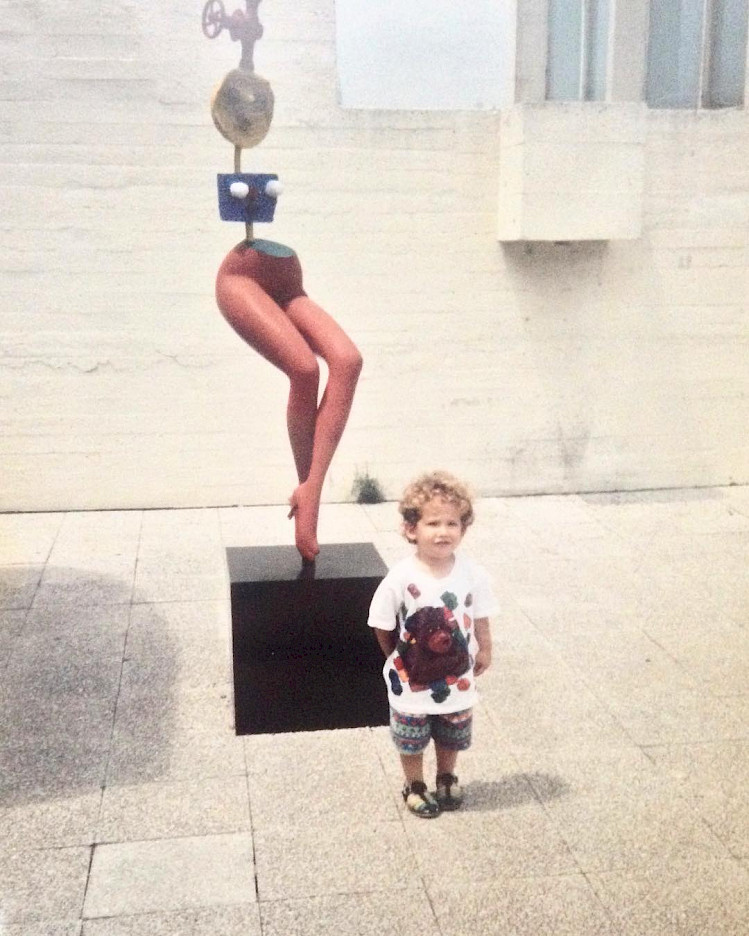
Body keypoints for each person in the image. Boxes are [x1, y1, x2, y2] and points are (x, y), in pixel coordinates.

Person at [215, 239, 362, 562]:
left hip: (288, 277)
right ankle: (308, 502)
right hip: (242, 276)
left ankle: (310, 490)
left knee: (348, 361)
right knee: (305, 370)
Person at [368, 470, 497, 817]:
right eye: (433, 523)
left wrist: (484, 648)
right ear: (412, 529)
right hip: (411, 679)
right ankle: (414, 784)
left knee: (451, 728)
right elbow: (381, 623)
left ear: (463, 529)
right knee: (411, 733)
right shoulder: (401, 577)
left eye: (452, 523)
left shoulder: (472, 573)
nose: (443, 532)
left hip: (456, 674)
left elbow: (481, 613)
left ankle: (446, 776)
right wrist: (398, 656)